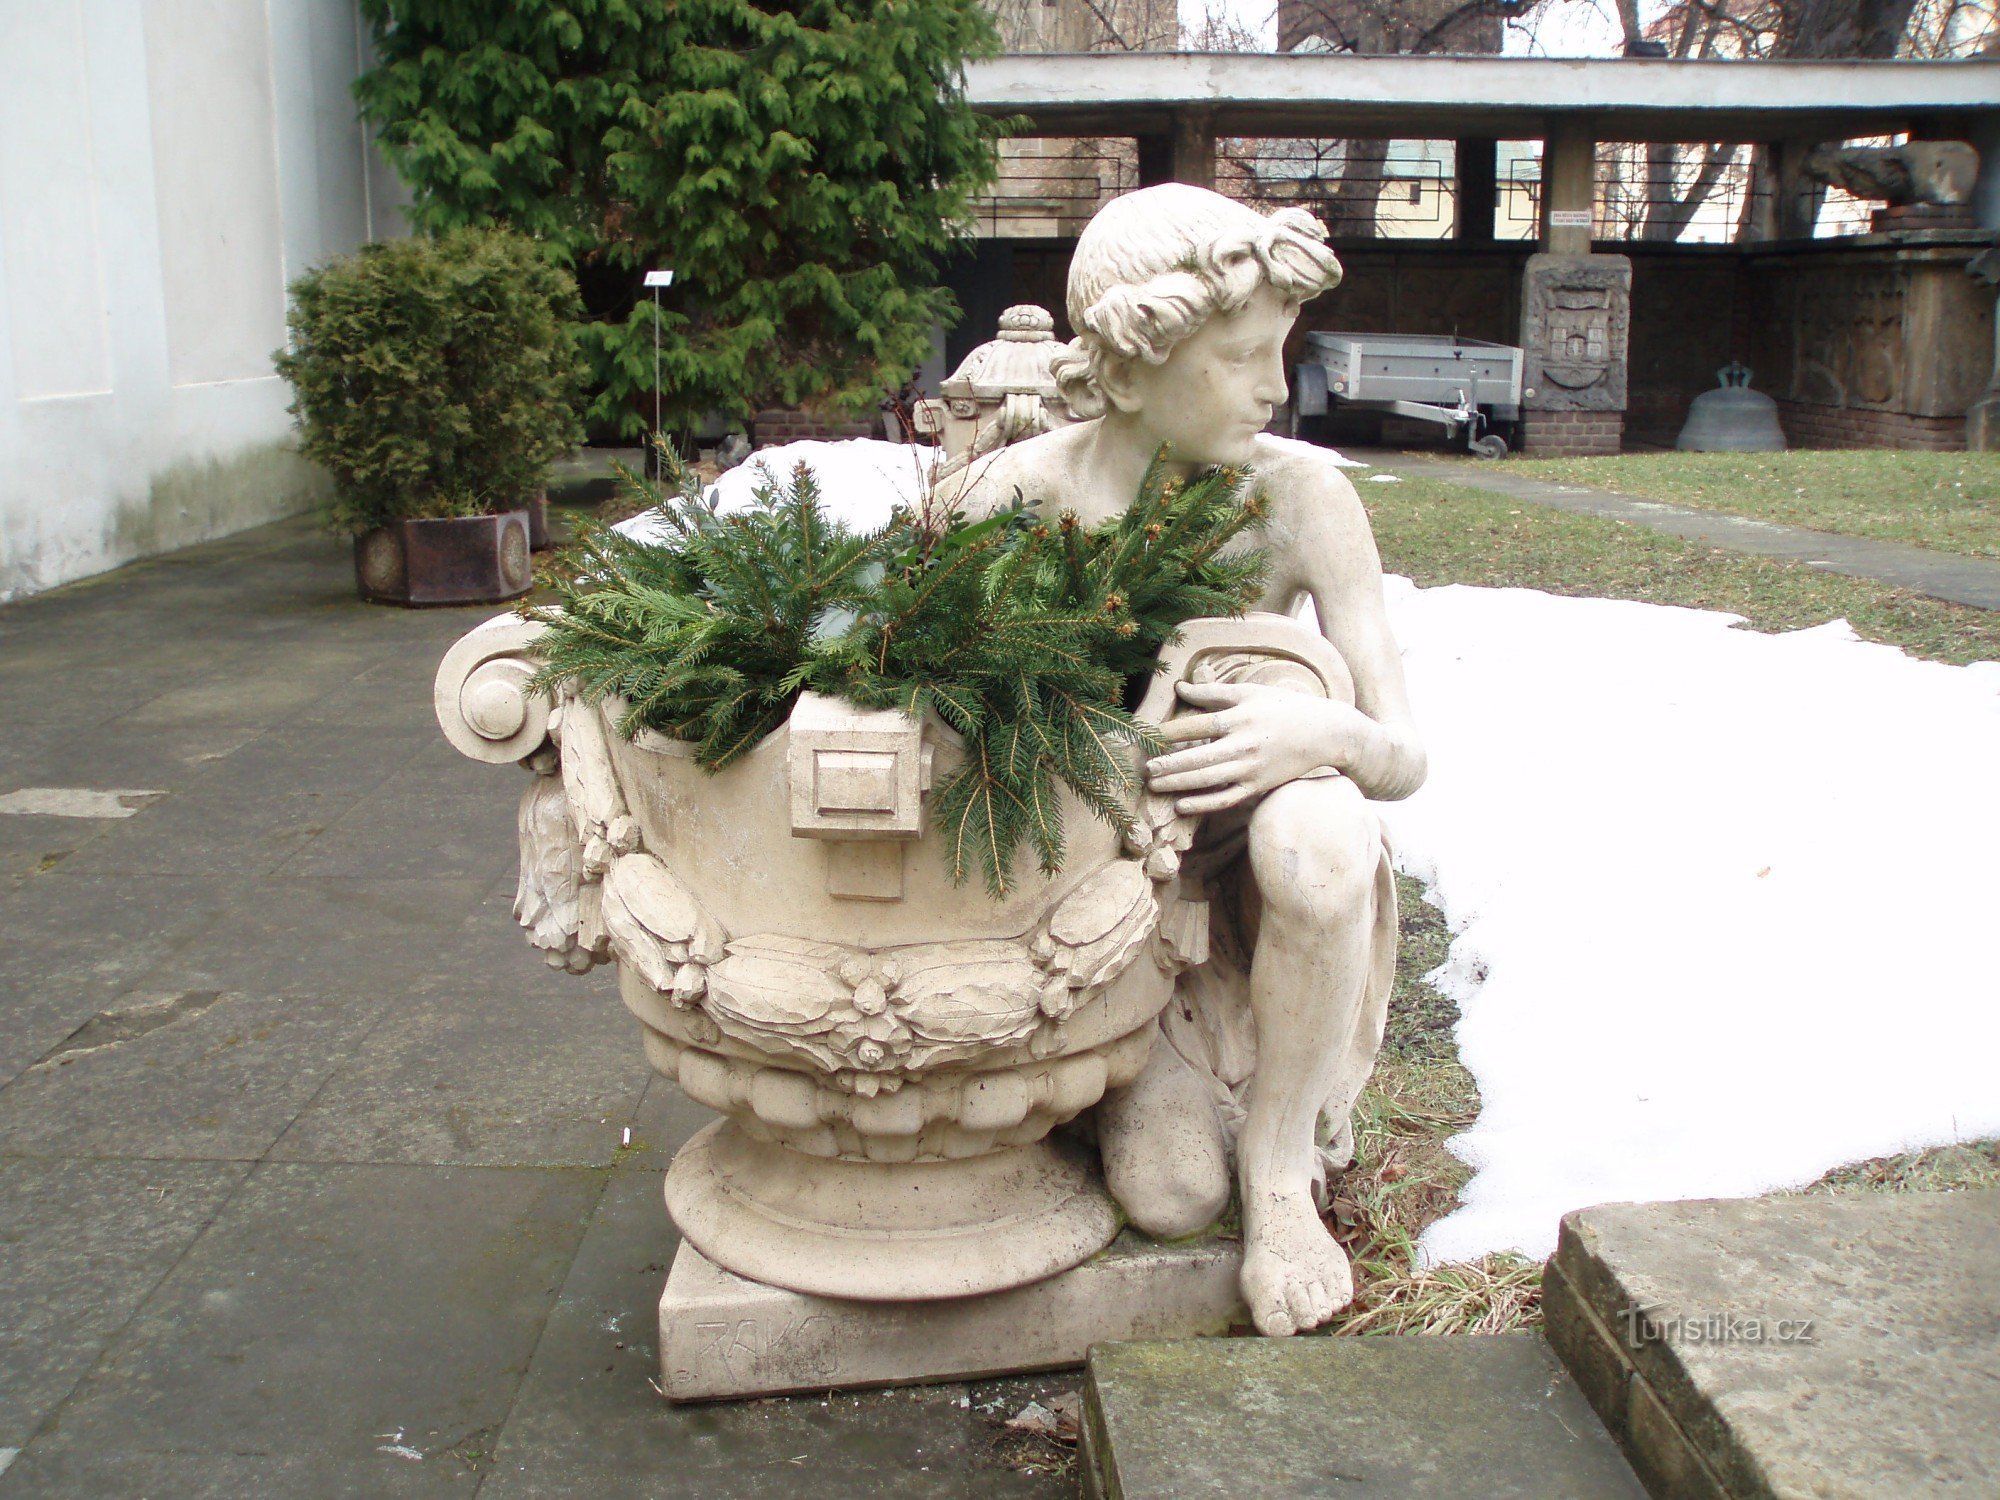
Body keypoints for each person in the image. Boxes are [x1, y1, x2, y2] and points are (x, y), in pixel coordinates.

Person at [934, 183, 1427, 1337]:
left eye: (1280, 352)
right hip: (1084, 886)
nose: (1274, 388)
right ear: (1125, 372)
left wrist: (1322, 736)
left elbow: (1403, 752)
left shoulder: (1299, 495)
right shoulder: (1014, 495)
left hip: (1251, 880)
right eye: (1240, 357)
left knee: (1318, 830)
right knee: (1169, 1199)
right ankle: (1113, 1068)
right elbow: (934, 710)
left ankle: (1278, 1167)